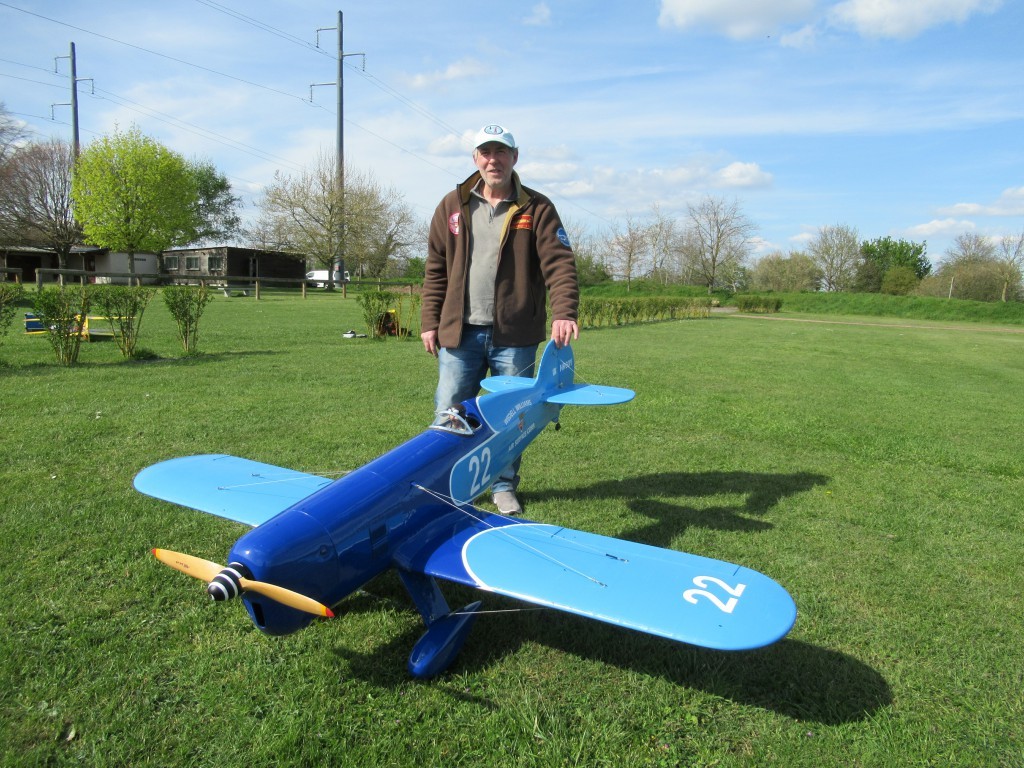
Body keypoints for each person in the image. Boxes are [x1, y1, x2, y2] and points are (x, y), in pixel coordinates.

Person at [421, 124, 579, 515]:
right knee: (450, 412)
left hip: (515, 335)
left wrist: (564, 312)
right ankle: (443, 483)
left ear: (514, 157)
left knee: (512, 416)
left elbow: (559, 263)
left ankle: (503, 485)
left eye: (501, 152)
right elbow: (435, 268)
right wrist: (429, 321)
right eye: (486, 152)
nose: (494, 160)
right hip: (459, 333)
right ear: (476, 158)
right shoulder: (452, 205)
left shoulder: (537, 207)